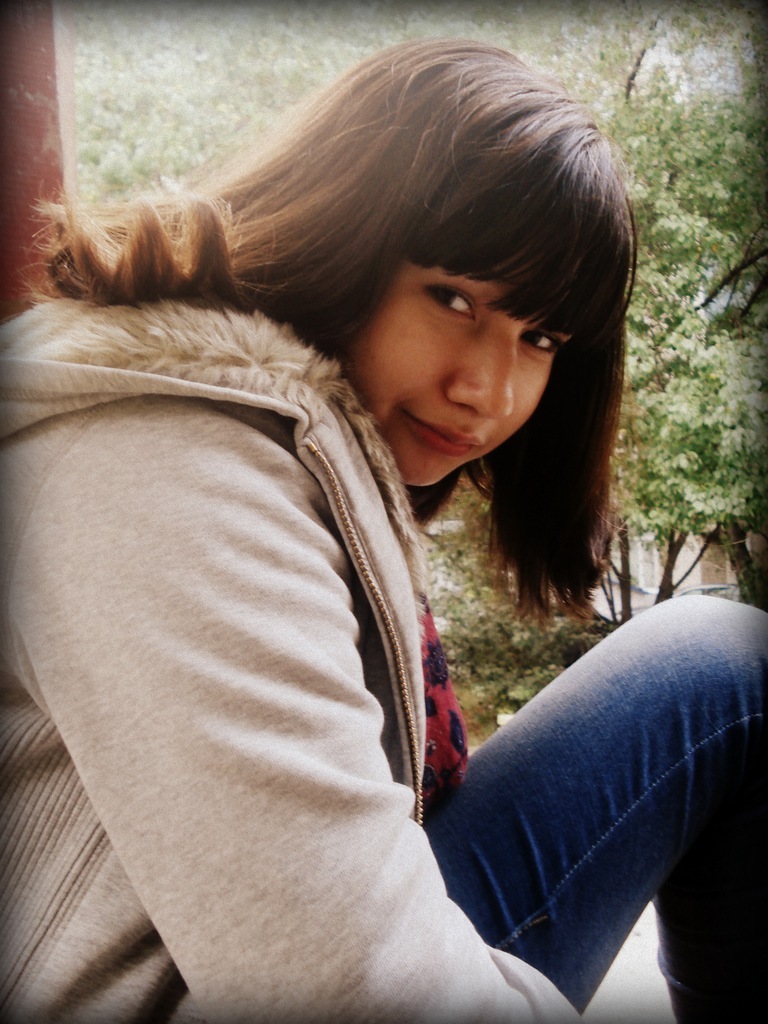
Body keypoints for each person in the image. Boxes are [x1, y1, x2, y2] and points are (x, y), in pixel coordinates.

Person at [0, 37, 765, 1024]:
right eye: (455, 298)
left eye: (539, 337)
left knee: (726, 664)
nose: (489, 389)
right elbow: (347, 993)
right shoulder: (167, 469)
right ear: (340, 235)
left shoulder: (287, 438)